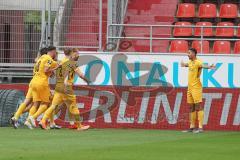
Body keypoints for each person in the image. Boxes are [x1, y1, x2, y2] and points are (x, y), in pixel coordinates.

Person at [40, 48, 90, 131]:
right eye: (77, 54)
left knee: (53, 106)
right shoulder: (72, 63)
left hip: (58, 86)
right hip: (66, 88)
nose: (78, 55)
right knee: (74, 106)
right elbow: (81, 75)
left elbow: (55, 73)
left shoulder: (60, 62)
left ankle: (43, 121)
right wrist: (89, 81)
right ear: (72, 54)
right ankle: (79, 126)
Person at [10, 47, 48, 129]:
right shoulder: (46, 61)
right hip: (38, 83)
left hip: (32, 82)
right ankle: (29, 120)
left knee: (27, 102)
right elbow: (47, 71)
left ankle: (15, 116)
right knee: (36, 104)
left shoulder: (38, 60)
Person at [181, 48, 216, 133]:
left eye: (189, 53)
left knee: (198, 106)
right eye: (187, 53)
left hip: (196, 87)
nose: (187, 54)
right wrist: (183, 64)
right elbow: (187, 64)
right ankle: (192, 127)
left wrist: (209, 67)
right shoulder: (190, 62)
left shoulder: (198, 62)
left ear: (193, 53)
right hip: (189, 88)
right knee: (191, 107)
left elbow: (203, 66)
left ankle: (200, 127)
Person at [25, 46, 60, 129]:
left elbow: (46, 71)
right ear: (53, 51)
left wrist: (53, 69)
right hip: (41, 83)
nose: (55, 54)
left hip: (33, 82)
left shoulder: (40, 59)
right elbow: (46, 70)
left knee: (36, 103)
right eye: (55, 52)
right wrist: (56, 67)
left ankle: (27, 120)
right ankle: (32, 118)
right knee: (46, 103)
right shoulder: (49, 59)